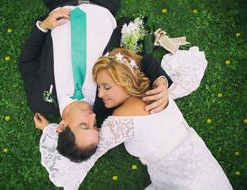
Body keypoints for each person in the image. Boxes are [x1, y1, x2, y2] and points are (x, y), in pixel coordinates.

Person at [37, 47, 233, 190]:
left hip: (185, 180)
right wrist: (161, 79)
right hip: (205, 167)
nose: (100, 95)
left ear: (125, 81)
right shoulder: (156, 90)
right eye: (99, 87)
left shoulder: (120, 119)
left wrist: (50, 131)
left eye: (106, 87)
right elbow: (146, 61)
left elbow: (84, 156)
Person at [19, 0, 172, 161]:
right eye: (94, 126)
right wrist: (161, 81)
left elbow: (26, 62)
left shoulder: (39, 101)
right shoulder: (108, 101)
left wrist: (43, 26)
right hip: (103, 5)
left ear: (62, 125)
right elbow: (140, 62)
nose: (92, 117)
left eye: (84, 125)